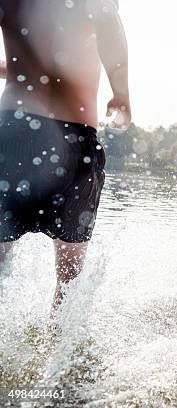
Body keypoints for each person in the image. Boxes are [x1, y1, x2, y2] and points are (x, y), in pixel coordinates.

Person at [0, 0, 131, 311]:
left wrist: (19, 69)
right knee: (68, 277)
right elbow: (108, 20)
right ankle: (59, 353)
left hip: (13, 134)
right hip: (73, 139)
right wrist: (121, 93)